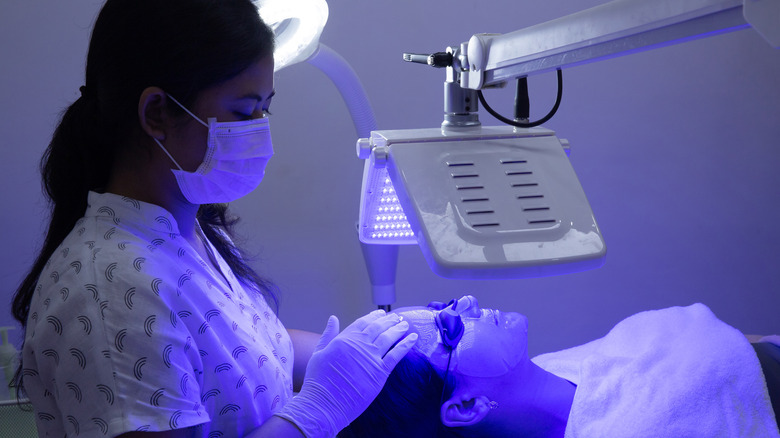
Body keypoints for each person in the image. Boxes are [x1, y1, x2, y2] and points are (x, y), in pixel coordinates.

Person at [10, 1, 417, 437]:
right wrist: (320, 407)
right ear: (156, 114)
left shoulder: (192, 232)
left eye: (266, 109)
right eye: (243, 112)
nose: (260, 131)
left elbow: (249, 354)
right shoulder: (110, 295)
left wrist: (355, 354)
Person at [339, 295, 780, 437]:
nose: (468, 301)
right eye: (453, 327)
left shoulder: (550, 371)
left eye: (446, 304)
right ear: (467, 405)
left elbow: (733, 347)